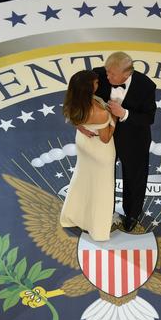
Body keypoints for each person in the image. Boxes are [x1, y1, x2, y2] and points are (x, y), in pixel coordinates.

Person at [79, 52, 157, 232]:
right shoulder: (97, 75)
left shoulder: (146, 86)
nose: (106, 77)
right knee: (101, 177)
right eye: (107, 72)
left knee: (134, 178)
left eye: (112, 74)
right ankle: (102, 212)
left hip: (134, 140)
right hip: (102, 137)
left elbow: (149, 118)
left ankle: (132, 214)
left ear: (127, 74)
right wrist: (77, 123)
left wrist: (124, 114)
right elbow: (76, 96)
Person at [59, 70, 116, 242]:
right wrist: (114, 118)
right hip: (101, 151)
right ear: (88, 87)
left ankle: (72, 216)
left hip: (83, 144)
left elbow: (72, 118)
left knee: (82, 179)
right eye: (96, 82)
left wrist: (81, 127)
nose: (98, 84)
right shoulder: (99, 112)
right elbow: (105, 138)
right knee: (102, 189)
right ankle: (98, 229)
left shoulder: (74, 101)